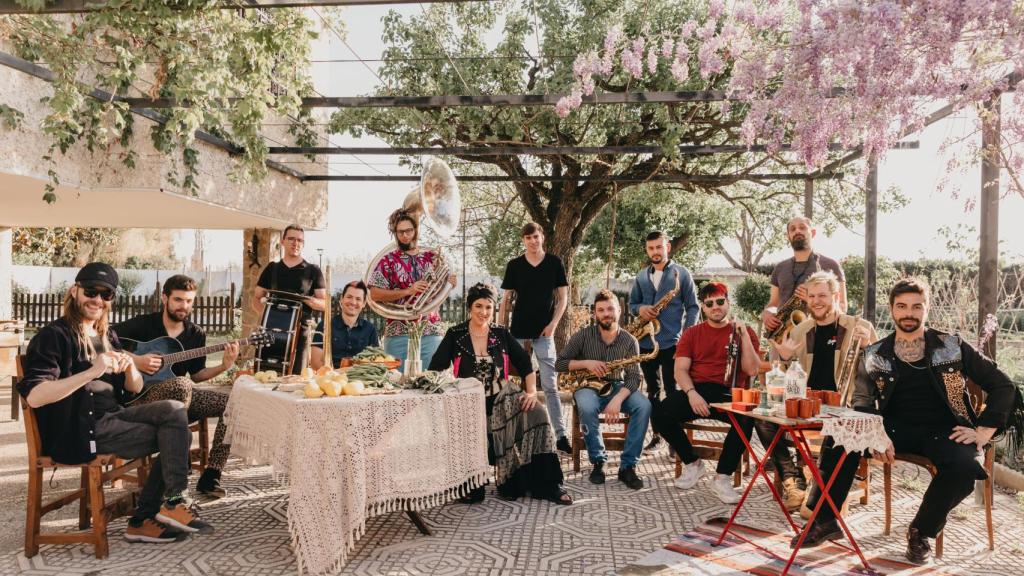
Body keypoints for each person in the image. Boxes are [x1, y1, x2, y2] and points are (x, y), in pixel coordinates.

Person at [797, 278, 1023, 565]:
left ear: (926, 309)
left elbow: (1004, 385)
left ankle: (921, 531)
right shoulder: (874, 353)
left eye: (917, 307)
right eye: (901, 306)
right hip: (893, 428)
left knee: (966, 469)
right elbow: (863, 402)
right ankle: (825, 520)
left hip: (946, 430)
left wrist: (983, 431)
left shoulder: (951, 345)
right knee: (840, 436)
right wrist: (875, 434)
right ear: (891, 310)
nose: (909, 313)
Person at [17, 263, 211, 543]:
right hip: (80, 429)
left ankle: (171, 503)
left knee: (175, 411)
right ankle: (146, 517)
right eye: (91, 292)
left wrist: (131, 368)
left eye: (105, 294)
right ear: (75, 291)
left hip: (114, 416)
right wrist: (92, 372)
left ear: (111, 300)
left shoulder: (104, 334)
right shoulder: (53, 336)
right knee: (173, 435)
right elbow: (34, 396)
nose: (97, 300)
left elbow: (135, 387)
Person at [428, 283, 571, 505]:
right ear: (469, 307)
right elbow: (435, 368)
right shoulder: (455, 334)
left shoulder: (500, 333)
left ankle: (548, 484)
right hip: (468, 401)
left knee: (539, 415)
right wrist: (451, 392)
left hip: (503, 397)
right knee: (475, 496)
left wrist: (532, 392)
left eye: (488, 307)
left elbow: (525, 365)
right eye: (478, 306)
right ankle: (471, 479)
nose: (483, 312)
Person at [115, 274, 239, 499]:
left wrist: (224, 366)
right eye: (179, 300)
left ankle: (211, 475)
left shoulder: (195, 334)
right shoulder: (144, 324)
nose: (184, 306)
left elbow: (198, 375)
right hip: (142, 399)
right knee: (182, 384)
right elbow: (102, 340)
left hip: (180, 402)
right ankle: (176, 469)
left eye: (189, 301)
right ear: (165, 298)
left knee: (232, 404)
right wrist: (137, 360)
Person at [766, 271, 878, 511]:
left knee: (812, 512)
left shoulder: (860, 327)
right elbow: (789, 378)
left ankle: (823, 485)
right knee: (763, 420)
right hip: (808, 407)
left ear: (836, 296)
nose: (817, 301)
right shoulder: (800, 330)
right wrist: (785, 359)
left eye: (823, 296)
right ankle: (792, 479)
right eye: (812, 296)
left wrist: (869, 347)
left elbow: (881, 373)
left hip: (842, 409)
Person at [652, 282, 761, 504]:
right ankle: (693, 463)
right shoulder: (692, 333)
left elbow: (752, 370)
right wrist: (691, 393)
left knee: (747, 420)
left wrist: (745, 336)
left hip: (730, 393)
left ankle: (722, 477)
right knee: (660, 412)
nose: (715, 307)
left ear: (728, 303)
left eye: (720, 301)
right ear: (703, 307)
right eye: (709, 303)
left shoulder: (744, 331)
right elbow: (679, 370)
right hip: (698, 391)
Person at [555, 290, 652, 490]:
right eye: (601, 310)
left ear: (618, 310)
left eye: (610, 309)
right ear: (595, 314)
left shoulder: (629, 341)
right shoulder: (582, 335)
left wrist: (618, 400)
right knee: (587, 406)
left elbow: (634, 377)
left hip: (617, 386)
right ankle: (598, 461)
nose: (606, 313)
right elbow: (560, 364)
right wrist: (587, 363)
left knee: (644, 406)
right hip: (588, 385)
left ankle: (628, 467)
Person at [499, 222, 571, 453]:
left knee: (550, 385)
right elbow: (505, 300)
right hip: (518, 333)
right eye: (528, 237)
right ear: (524, 240)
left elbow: (562, 298)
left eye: (536, 236)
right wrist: (502, 330)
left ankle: (560, 435)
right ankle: (517, 434)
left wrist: (553, 324)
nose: (533, 241)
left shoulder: (554, 263)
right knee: (515, 385)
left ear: (542, 238)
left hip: (544, 333)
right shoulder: (514, 265)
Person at [627, 230, 699, 450]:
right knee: (652, 393)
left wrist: (687, 337)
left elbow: (693, 307)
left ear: (667, 247)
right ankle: (657, 436)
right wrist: (641, 308)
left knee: (673, 392)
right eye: (651, 248)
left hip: (672, 343)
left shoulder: (682, 273)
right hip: (647, 344)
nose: (655, 252)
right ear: (647, 250)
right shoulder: (641, 276)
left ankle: (673, 442)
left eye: (659, 247)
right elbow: (632, 305)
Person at [368, 208, 455, 370]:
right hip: (398, 334)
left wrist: (449, 283)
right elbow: (374, 294)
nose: (405, 235)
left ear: (415, 230)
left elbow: (441, 287)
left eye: (408, 231)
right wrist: (408, 291)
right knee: (398, 387)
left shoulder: (432, 257)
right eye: (400, 232)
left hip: (430, 331)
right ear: (395, 233)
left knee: (430, 384)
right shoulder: (387, 260)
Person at [253, 224, 327, 374]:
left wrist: (309, 301)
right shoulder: (272, 268)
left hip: (301, 333)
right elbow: (256, 297)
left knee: (297, 378)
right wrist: (267, 317)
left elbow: (325, 304)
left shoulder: (313, 271)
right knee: (268, 375)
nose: (295, 243)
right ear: (283, 241)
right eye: (291, 239)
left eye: (300, 240)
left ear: (303, 244)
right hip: (271, 333)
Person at [761, 217, 847, 338]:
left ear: (813, 233)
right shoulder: (780, 267)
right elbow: (773, 303)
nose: (797, 231)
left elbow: (842, 306)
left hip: (818, 336)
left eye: (802, 228)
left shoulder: (831, 265)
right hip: (781, 337)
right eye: (792, 229)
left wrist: (812, 298)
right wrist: (767, 313)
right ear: (788, 236)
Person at [310, 280, 379, 369]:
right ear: (341, 299)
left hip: (359, 380)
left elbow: (376, 362)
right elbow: (315, 362)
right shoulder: (324, 326)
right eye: (349, 297)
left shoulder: (370, 329)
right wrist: (335, 376)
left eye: (358, 299)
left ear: (364, 303)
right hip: (331, 379)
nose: (353, 302)